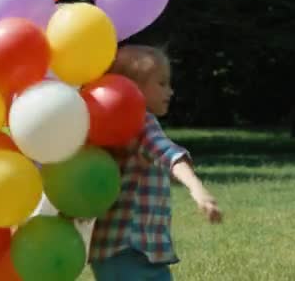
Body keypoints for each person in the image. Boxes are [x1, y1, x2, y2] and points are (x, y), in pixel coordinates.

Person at [89, 45, 222, 281]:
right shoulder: (142, 122)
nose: (170, 91)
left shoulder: (113, 124)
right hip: (130, 249)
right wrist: (197, 188)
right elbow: (168, 153)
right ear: (133, 88)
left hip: (117, 251)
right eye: (161, 84)